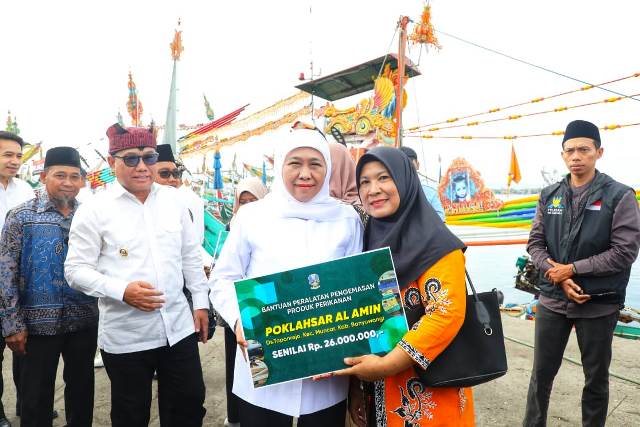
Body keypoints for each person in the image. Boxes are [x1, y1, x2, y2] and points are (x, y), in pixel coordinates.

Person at [209, 128, 363, 427]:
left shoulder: (346, 219)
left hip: (325, 372)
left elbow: (354, 285)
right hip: (263, 368)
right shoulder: (252, 216)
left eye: (315, 164)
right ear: (281, 165)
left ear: (328, 169)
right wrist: (240, 319)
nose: (305, 173)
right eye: (295, 163)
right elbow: (222, 278)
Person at [64, 124, 210, 427]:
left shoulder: (174, 201)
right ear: (111, 162)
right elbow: (75, 271)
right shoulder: (94, 210)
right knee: (131, 415)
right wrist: (122, 291)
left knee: (189, 404)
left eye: (149, 157)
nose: (142, 166)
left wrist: (200, 303)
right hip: (127, 335)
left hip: (178, 327)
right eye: (131, 158)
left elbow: (190, 256)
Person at [335, 146, 474, 426]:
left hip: (428, 394)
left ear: (405, 179)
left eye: (383, 178)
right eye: (365, 182)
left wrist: (387, 365)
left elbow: (445, 314)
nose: (373, 189)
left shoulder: (437, 244)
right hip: (376, 390)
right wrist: (355, 387)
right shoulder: (368, 239)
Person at [523, 120, 640, 427]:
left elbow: (625, 251)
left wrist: (573, 269)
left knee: (596, 379)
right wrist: (558, 274)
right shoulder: (550, 195)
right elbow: (535, 243)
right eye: (570, 150)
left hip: (598, 303)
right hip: (552, 300)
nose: (576, 156)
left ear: (599, 152)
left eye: (584, 150)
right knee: (540, 376)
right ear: (563, 154)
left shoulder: (619, 196)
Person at [0, 146, 98, 427]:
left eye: (74, 176)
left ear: (82, 181)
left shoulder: (90, 215)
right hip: (36, 325)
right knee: (35, 397)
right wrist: (12, 324)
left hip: (84, 319)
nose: (68, 182)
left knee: (82, 391)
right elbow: (6, 272)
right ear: (44, 177)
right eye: (60, 175)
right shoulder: (21, 216)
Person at [223, 177, 268, 427]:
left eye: (254, 200)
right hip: (243, 313)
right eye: (244, 202)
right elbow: (225, 274)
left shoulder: (345, 218)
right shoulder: (236, 225)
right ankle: (235, 416)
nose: (248, 207)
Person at [0, 131, 34, 427]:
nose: (14, 161)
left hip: (20, 281)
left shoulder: (24, 189)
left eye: (18, 156)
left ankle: (28, 402)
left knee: (25, 348)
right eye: (7, 155)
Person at [398, 146, 445, 220]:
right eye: (402, 166)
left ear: (417, 165)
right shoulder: (390, 193)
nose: (407, 170)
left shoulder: (430, 193)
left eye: (410, 166)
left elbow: (440, 218)